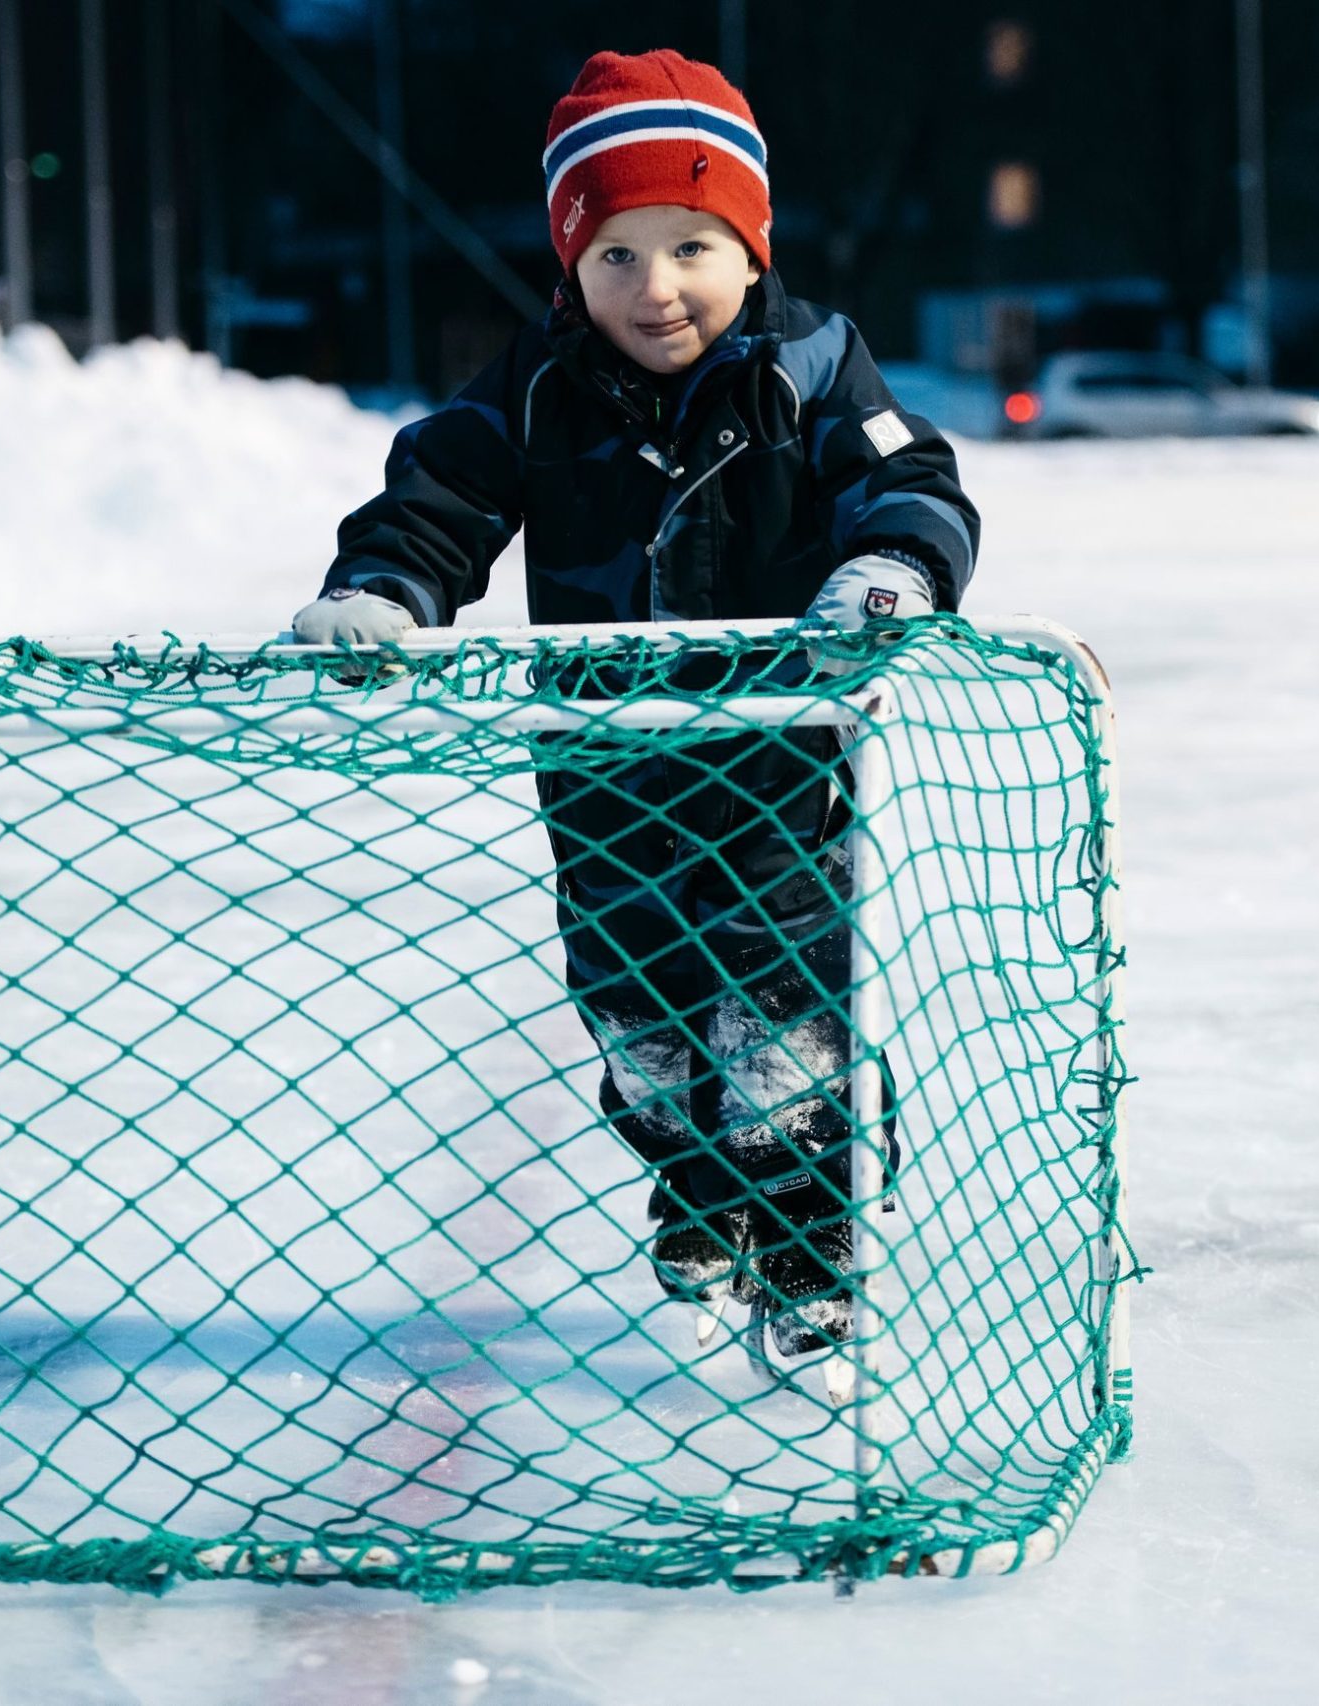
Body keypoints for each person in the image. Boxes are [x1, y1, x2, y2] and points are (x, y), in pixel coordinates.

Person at [288, 48, 978, 1357]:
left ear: (751, 247)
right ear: (570, 265)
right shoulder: (540, 388)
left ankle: (809, 1235)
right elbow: (436, 500)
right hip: (603, 779)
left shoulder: (815, 364)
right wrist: (384, 590)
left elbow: (913, 480)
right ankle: (696, 1182)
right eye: (615, 256)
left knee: (777, 1028)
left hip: (779, 765)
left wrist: (894, 563)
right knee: (642, 1021)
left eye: (690, 247)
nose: (655, 289)